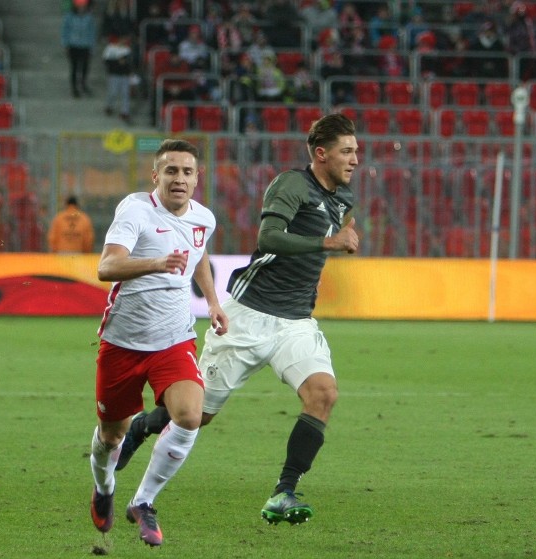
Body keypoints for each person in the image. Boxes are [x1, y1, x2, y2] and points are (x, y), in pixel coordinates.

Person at [116, 114, 360, 526]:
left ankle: (284, 491)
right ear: (322, 154)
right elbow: (269, 238)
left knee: (324, 394)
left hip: (297, 321)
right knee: (197, 415)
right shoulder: (291, 185)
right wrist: (328, 241)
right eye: (347, 151)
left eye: (356, 151)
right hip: (250, 315)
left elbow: (339, 233)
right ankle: (143, 424)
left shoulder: (344, 199)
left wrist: (342, 238)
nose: (355, 159)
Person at [89, 138, 228, 547]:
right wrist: (158, 262)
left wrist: (214, 302)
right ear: (156, 176)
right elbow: (106, 266)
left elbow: (198, 253)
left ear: (197, 178)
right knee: (110, 436)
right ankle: (104, 486)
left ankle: (144, 501)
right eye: (171, 171)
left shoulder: (205, 218)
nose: (179, 179)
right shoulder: (135, 211)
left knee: (188, 416)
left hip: (174, 339)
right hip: (123, 342)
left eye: (187, 172)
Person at [61, 0, 96, 98]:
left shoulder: (89, 17)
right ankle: (74, 88)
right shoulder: (69, 17)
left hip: (85, 45)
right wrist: (65, 44)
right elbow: (65, 30)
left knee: (85, 67)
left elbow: (92, 33)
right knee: (74, 67)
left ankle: (83, 84)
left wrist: (92, 47)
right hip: (73, 45)